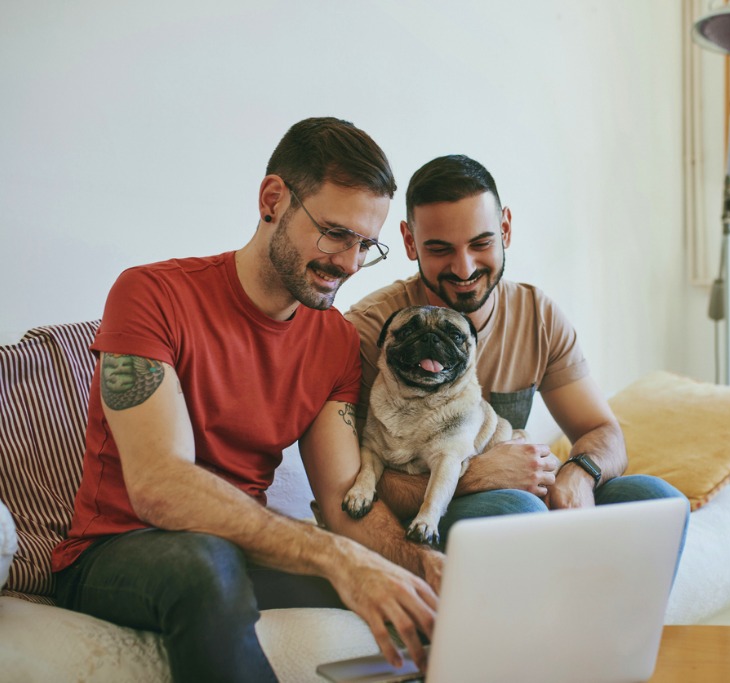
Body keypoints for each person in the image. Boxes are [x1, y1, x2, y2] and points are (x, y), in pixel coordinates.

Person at [50, 117, 440, 681]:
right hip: (117, 550)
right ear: (273, 199)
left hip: (240, 551)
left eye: (366, 244)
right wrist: (336, 556)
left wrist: (417, 566)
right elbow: (161, 487)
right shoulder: (151, 294)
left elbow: (340, 501)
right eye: (335, 233)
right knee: (206, 565)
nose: (350, 264)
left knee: (404, 596)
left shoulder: (332, 340)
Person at [345, 154, 688, 547]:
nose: (463, 267)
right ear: (409, 241)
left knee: (656, 502)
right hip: (440, 510)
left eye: (481, 243)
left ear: (505, 229)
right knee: (516, 512)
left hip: (525, 492)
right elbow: (345, 479)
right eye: (440, 249)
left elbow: (601, 430)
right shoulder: (371, 330)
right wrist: (478, 475)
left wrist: (578, 475)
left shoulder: (537, 314)